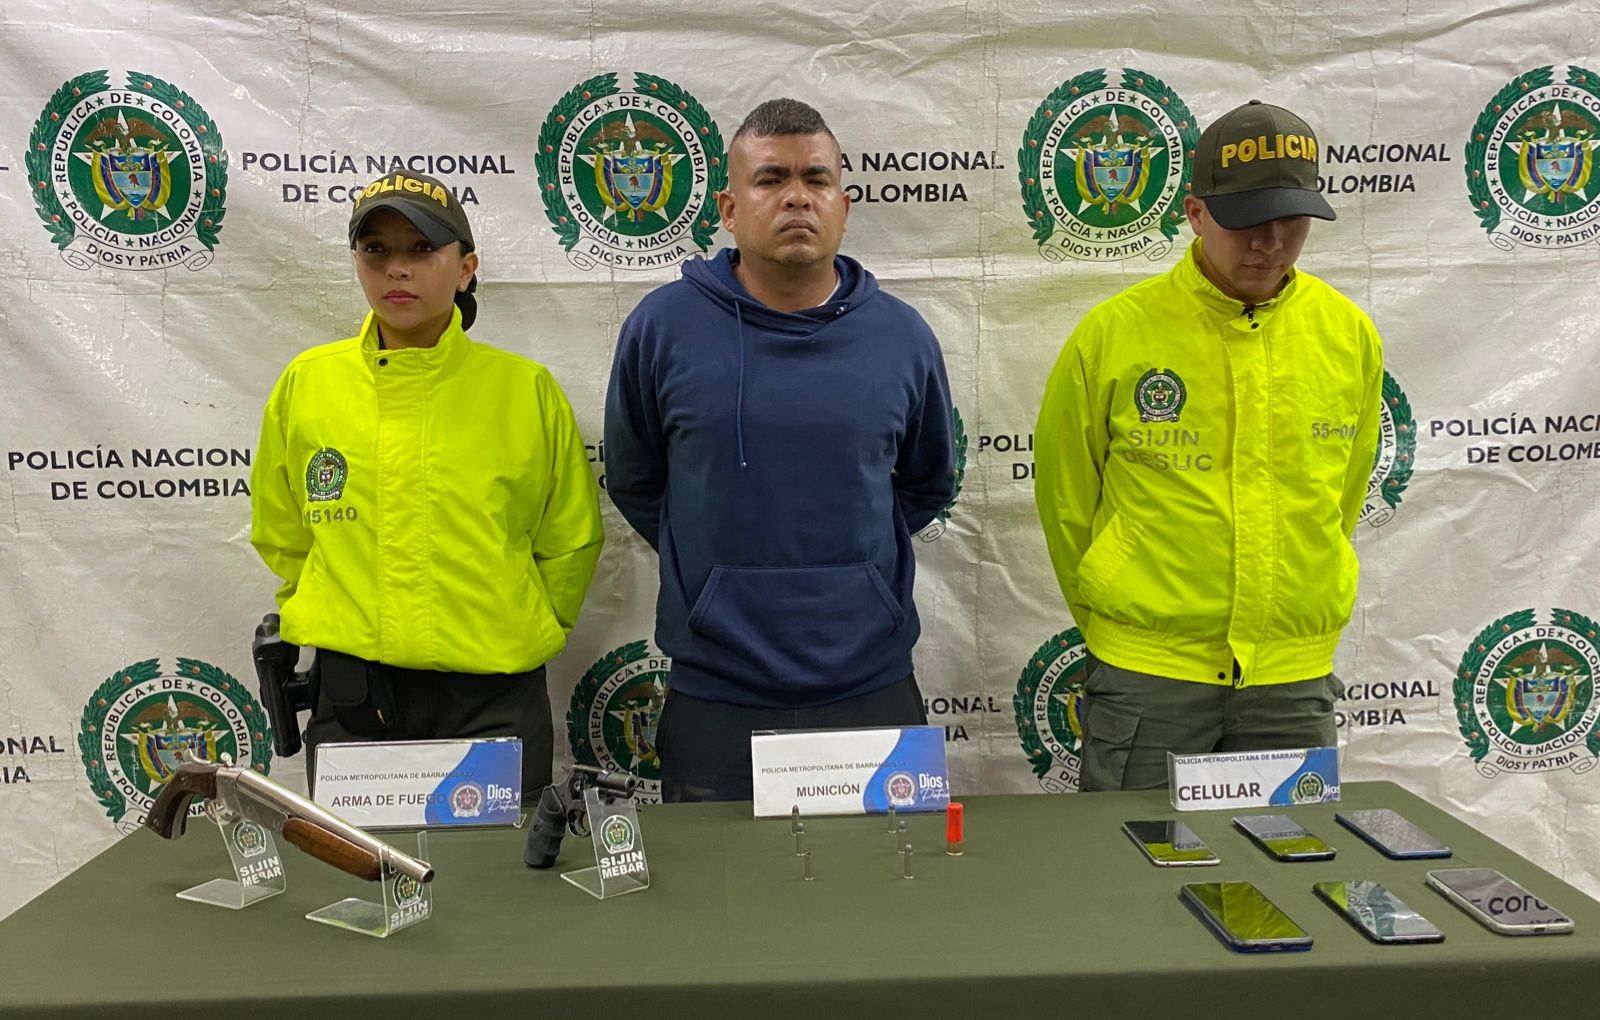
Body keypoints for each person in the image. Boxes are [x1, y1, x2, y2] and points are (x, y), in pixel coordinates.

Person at [604, 98, 956, 803]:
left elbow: (928, 481)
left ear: (844, 205)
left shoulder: (902, 337)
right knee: (721, 908)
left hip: (871, 685)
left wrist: (853, 579)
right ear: (730, 210)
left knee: (892, 902)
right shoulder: (661, 329)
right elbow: (638, 482)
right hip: (716, 692)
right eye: (771, 180)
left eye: (816, 179)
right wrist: (716, 588)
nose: (797, 195)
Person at [1033, 100, 1383, 791]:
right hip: (1149, 677)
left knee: (1290, 887)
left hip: (1291, 679)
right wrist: (1125, 615)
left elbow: (1343, 495)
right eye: (1246, 220)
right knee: (1134, 884)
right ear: (1195, 213)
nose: (1270, 242)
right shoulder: (1114, 336)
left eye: (1291, 219)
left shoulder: (1348, 335)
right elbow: (1067, 503)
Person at [250, 171, 604, 804]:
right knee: (364, 889)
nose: (397, 270)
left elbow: (569, 538)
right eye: (376, 250)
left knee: (503, 890)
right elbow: (283, 530)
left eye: (421, 250)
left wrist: (527, 623)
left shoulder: (524, 391)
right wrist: (334, 607)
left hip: (492, 696)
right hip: (353, 699)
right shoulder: (309, 386)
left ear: (465, 268)